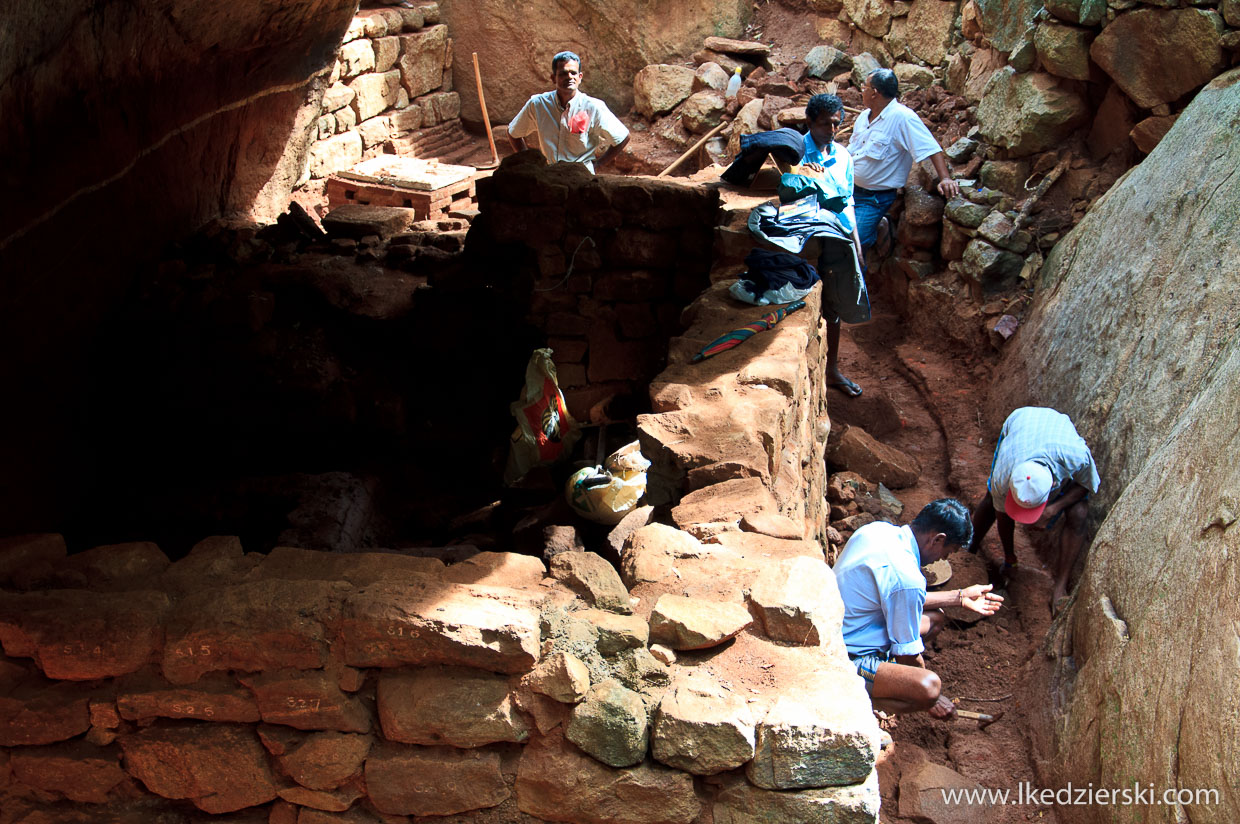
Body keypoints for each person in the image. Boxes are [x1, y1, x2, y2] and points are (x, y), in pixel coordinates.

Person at [720, 96, 866, 395]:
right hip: (806, 240)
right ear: (810, 122)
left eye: (836, 123)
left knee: (835, 305)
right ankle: (813, 374)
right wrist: (801, 173)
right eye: (825, 123)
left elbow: (848, 202)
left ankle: (833, 370)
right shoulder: (793, 151)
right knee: (804, 306)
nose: (831, 129)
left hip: (837, 237)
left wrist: (857, 243)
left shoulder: (842, 156)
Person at [834, 68, 959, 397]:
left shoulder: (902, 118)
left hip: (875, 197)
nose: (861, 90)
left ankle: (847, 299)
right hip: (848, 190)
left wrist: (944, 178)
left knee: (849, 242)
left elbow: (929, 147)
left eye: (864, 86)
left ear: (875, 91)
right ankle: (875, 236)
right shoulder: (864, 117)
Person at [835, 499, 1003, 717]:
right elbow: (908, 655)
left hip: (842, 628)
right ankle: (862, 703)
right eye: (947, 552)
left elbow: (897, 596)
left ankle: (887, 681)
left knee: (935, 619)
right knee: (928, 687)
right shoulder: (907, 577)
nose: (942, 559)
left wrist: (960, 597)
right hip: (844, 657)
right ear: (937, 539)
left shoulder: (877, 531)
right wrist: (932, 699)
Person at [968, 406, 1100, 613]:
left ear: (1053, 488)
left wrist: (1053, 509)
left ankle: (1060, 585)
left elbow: (1087, 484)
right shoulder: (1004, 475)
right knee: (991, 499)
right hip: (1022, 421)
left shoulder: (1076, 456)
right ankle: (970, 548)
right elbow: (1003, 516)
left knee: (1079, 513)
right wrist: (1010, 559)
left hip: (1054, 428)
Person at [507, 51, 630, 174]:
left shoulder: (593, 107)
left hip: (582, 178)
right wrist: (528, 162)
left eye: (573, 73)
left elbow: (623, 137)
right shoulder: (538, 105)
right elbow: (513, 132)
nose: (569, 77)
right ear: (553, 78)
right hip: (550, 177)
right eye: (563, 73)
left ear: (580, 77)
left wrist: (598, 164)